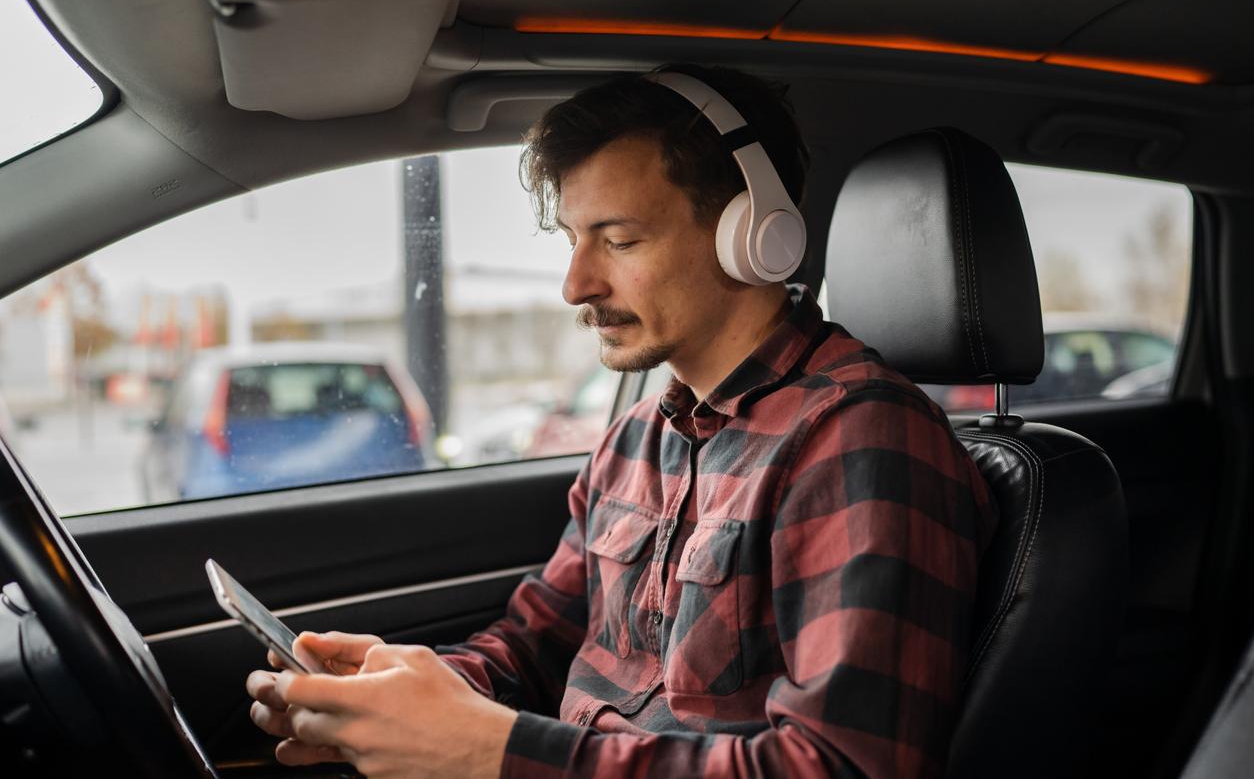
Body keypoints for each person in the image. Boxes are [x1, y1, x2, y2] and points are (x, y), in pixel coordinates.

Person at [246, 64, 997, 778]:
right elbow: (532, 647)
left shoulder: (858, 439)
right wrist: (399, 694)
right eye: (574, 241)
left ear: (754, 235)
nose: (577, 284)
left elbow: (843, 766)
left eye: (620, 240)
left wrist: (495, 756)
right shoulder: (639, 438)